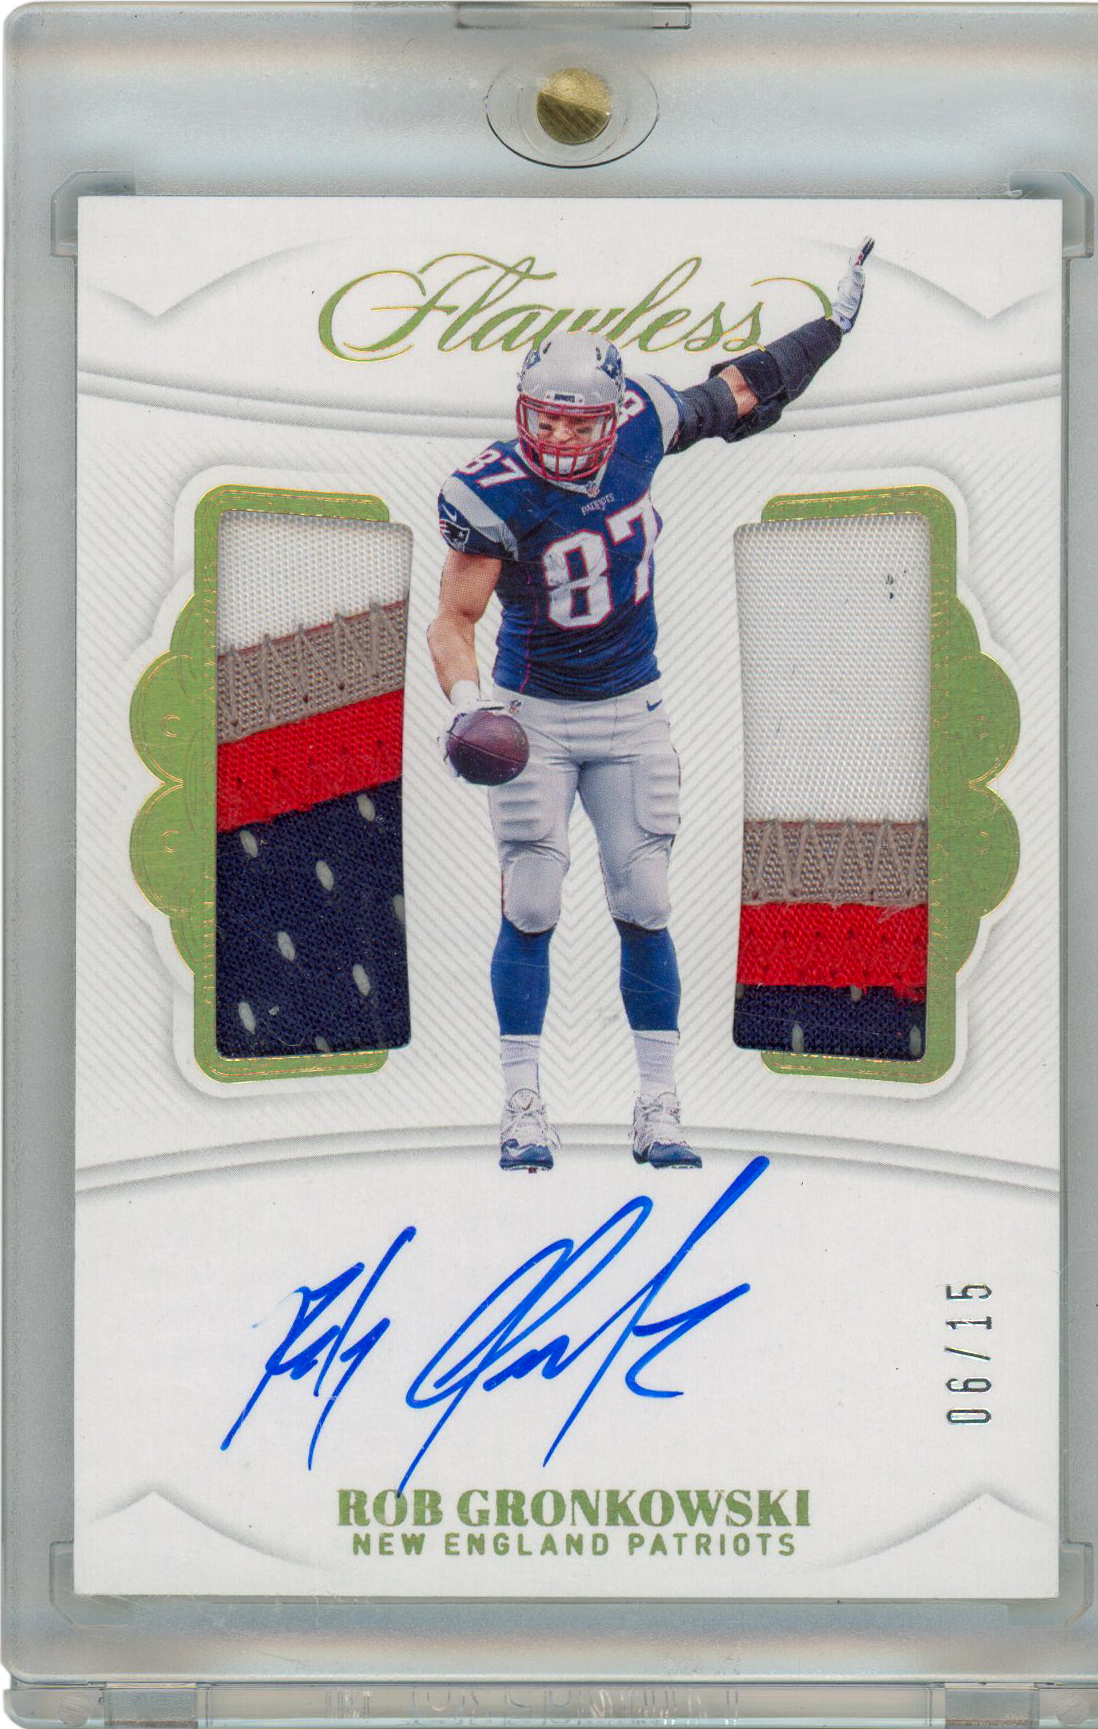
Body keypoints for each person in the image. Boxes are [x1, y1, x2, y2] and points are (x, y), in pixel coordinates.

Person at [429, 244, 871, 1171]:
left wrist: (828, 331)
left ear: (611, 415)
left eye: (576, 418)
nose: (558, 432)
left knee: (644, 898)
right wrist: (468, 707)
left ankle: (659, 1104)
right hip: (534, 717)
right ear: (521, 409)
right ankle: (521, 1104)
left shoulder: (641, 423)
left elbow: (738, 390)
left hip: (631, 710)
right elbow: (453, 620)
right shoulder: (491, 491)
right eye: (545, 414)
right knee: (532, 899)